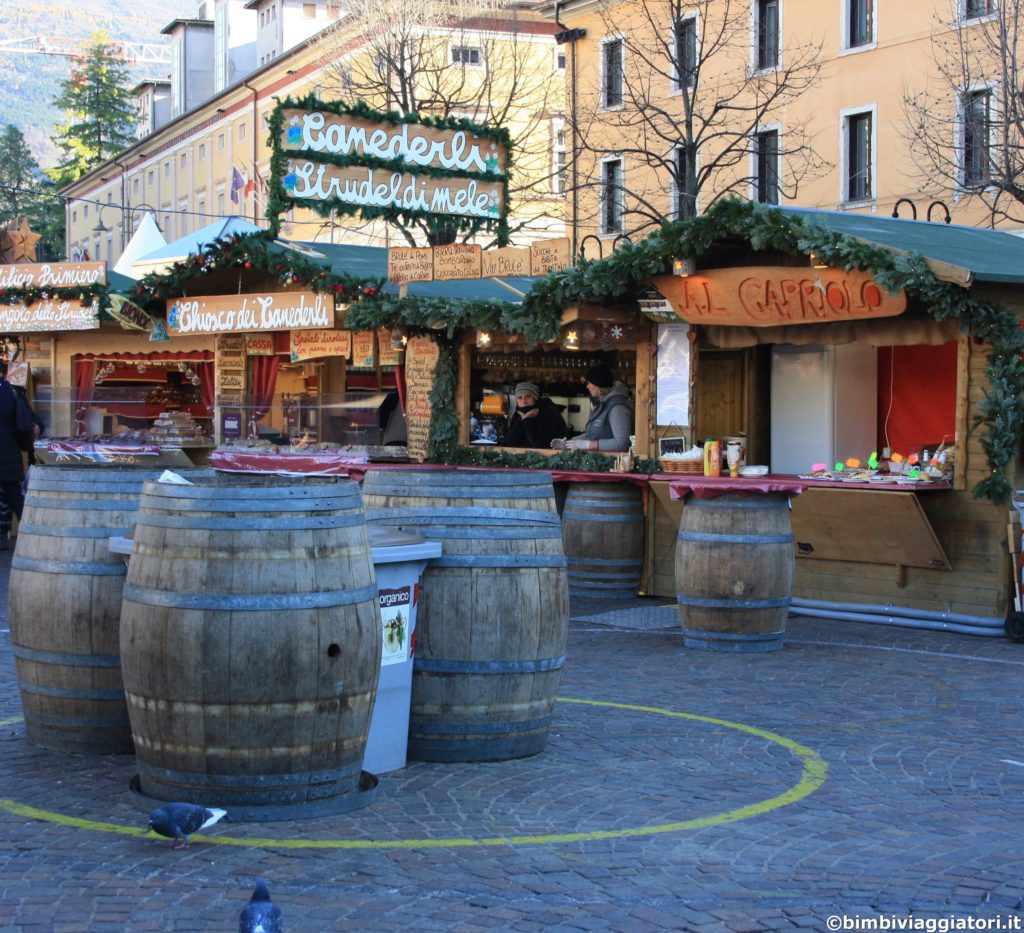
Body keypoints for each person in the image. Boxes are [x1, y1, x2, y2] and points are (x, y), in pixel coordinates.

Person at [0, 362, 40, 549]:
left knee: (11, 494)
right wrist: (28, 448)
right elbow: (32, 421)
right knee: (14, 494)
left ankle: (9, 534)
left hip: (6, 452)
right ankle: (29, 532)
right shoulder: (13, 393)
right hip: (11, 452)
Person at [552, 363, 633, 452]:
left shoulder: (617, 407)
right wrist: (570, 442)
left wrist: (588, 444)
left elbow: (622, 443)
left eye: (589, 383)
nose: (587, 386)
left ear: (598, 384)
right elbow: (592, 434)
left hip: (611, 461)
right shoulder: (602, 402)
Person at [503, 382, 569, 449]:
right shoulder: (520, 413)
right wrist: (521, 421)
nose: (523, 401)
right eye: (520, 398)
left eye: (528, 397)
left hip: (552, 456)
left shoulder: (549, 411)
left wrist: (527, 420)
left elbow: (540, 445)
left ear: (535, 398)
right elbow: (510, 442)